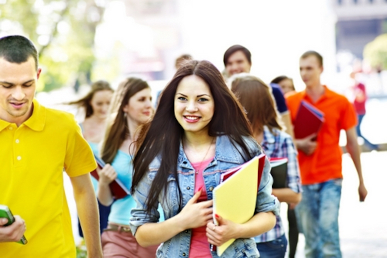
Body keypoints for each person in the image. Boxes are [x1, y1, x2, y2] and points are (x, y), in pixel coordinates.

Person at [130, 60, 279, 258]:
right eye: (182, 98)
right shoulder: (155, 156)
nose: (191, 108)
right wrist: (182, 221)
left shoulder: (244, 149)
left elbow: (268, 214)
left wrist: (235, 230)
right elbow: (141, 233)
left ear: (217, 102)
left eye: (202, 100)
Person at [0, 35, 102, 257]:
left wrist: (96, 254)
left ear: (38, 76)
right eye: (7, 85)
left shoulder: (64, 126)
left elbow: (84, 191)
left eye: (27, 84)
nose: (19, 95)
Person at [285, 51, 368, 258]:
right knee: (311, 243)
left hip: (331, 178)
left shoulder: (340, 102)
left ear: (321, 69)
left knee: (329, 236)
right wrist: (300, 144)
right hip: (302, 181)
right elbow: (282, 143)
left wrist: (361, 181)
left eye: (309, 68)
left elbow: (352, 143)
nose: (304, 73)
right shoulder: (291, 102)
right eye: (301, 68)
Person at [231, 74, 302, 258]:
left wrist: (257, 192)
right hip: (233, 239)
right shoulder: (224, 141)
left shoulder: (282, 140)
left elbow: (295, 194)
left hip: (270, 240)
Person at [97, 77, 162, 257]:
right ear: (125, 106)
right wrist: (103, 183)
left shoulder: (162, 143)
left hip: (156, 236)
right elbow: (106, 200)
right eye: (141, 99)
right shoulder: (110, 146)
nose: (148, 104)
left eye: (150, 99)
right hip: (119, 234)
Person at [67, 80, 114, 236]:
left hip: (115, 196)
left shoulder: (120, 129)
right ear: (90, 103)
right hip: (88, 196)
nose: (104, 108)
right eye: (99, 103)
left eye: (109, 103)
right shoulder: (78, 129)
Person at [223, 44, 294, 139]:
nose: (234, 67)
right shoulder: (222, 95)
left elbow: (287, 130)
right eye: (229, 63)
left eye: (239, 62)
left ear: (250, 63)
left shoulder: (273, 91)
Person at [271, 75, 298, 258]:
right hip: (276, 174)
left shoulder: (294, 107)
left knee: (293, 218)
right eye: (282, 88)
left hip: (291, 168)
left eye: (289, 87)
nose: (286, 91)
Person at [349, 71, 379, 151]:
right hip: (354, 112)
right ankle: (372, 146)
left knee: (357, 132)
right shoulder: (352, 86)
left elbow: (361, 98)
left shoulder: (360, 86)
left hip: (360, 111)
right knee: (355, 132)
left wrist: (355, 91)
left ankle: (373, 146)